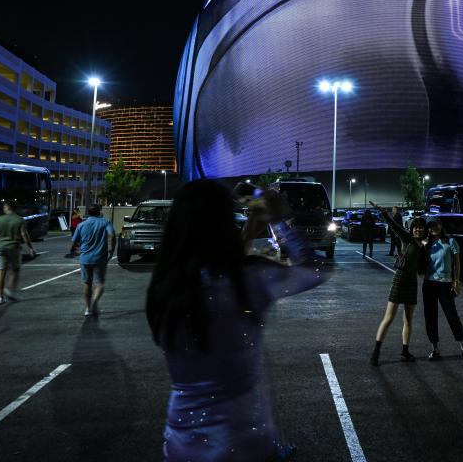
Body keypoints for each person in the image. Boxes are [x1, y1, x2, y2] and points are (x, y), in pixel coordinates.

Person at [147, 180, 328, 461]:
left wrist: (249, 232)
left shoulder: (166, 286)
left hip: (182, 441)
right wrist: (279, 220)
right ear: (225, 222)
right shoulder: (248, 279)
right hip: (241, 442)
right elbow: (315, 269)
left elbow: (217, 272)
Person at [367, 201, 425, 366]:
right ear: (412, 228)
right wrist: (384, 213)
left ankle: (405, 352)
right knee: (389, 317)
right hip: (400, 279)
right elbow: (394, 226)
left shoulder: (425, 246)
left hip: (412, 283)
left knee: (408, 319)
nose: (418, 229)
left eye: (421, 227)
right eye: (415, 226)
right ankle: (376, 352)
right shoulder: (407, 238)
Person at [423, 219, 463, 362]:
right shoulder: (426, 243)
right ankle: (435, 350)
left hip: (445, 284)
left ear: (441, 225)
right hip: (429, 284)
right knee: (430, 319)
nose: (433, 228)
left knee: (452, 317)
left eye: (436, 225)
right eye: (430, 226)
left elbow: (457, 263)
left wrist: (456, 281)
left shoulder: (450, 241)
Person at [71, 203, 116, 317]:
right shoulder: (105, 222)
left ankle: (87, 309)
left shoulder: (81, 225)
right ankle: (95, 304)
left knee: (87, 283)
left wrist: (72, 250)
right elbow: (113, 235)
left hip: (85, 258)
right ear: (99, 212)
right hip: (100, 258)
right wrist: (112, 249)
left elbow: (74, 241)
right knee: (100, 283)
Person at [0, 201, 36, 305]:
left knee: (1, 272)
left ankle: (0, 297)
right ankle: (10, 290)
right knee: (15, 270)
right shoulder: (19, 220)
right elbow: (24, 234)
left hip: (0, 248)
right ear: (15, 209)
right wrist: (30, 248)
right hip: (14, 247)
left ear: (6, 208)